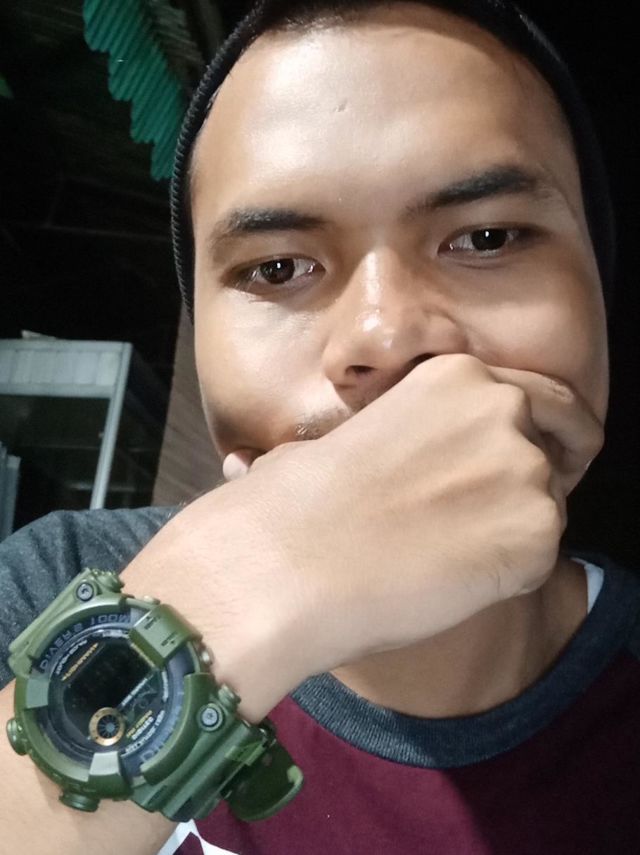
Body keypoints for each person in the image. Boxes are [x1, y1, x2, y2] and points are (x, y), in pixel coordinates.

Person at [0, 1, 637, 853]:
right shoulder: (57, 585)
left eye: (486, 237)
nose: (386, 336)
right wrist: (248, 581)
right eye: (277, 267)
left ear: (599, 293)